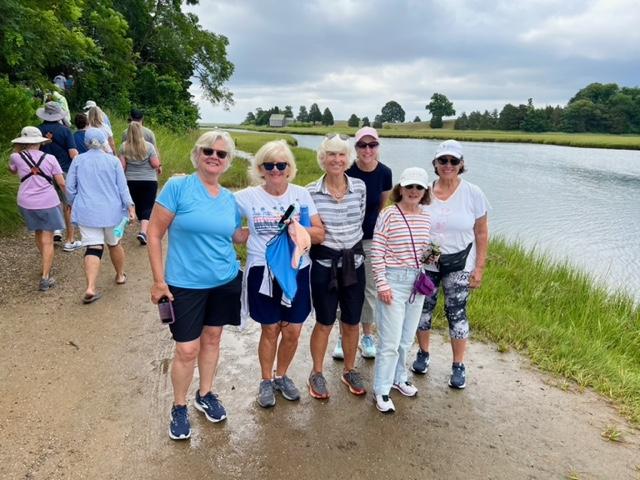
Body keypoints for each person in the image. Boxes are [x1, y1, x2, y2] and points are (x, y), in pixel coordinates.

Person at [147, 130, 245, 441]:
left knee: (213, 338)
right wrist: (159, 281)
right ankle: (179, 406)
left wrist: (269, 225)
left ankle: (205, 394)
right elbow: (154, 234)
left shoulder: (230, 200)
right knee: (187, 349)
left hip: (224, 280)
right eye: (208, 151)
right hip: (184, 284)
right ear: (197, 154)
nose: (214, 157)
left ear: (228, 161)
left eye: (221, 153)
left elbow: (235, 236)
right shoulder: (178, 187)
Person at [235, 140, 325, 408]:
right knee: (271, 328)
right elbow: (222, 216)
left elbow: (319, 234)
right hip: (262, 270)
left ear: (289, 168)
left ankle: (281, 376)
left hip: (297, 270)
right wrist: (240, 234)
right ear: (260, 168)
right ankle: (266, 380)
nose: (275, 170)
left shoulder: (301, 195)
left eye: (281, 165)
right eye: (269, 165)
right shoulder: (247, 197)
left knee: (293, 330)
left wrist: (298, 229)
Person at [413, 140, 489, 389]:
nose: (448, 165)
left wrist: (479, 268)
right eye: (443, 160)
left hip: (460, 260)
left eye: (453, 161)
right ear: (435, 163)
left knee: (456, 312)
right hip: (429, 259)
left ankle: (458, 365)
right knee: (423, 310)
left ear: (461, 164)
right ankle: (423, 353)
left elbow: (481, 232)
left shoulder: (473, 193)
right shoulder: (424, 191)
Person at [306, 133, 367, 399]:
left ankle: (349, 370)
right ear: (323, 158)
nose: (336, 159)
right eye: (331, 154)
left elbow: (359, 221)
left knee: (352, 321)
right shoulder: (310, 192)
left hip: (355, 263)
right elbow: (310, 230)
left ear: (348, 158)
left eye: (341, 154)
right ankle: (317, 373)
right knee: (324, 321)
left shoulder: (360, 188)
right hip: (324, 264)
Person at [371, 167, 432, 413]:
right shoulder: (388, 214)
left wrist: (432, 257)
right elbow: (377, 251)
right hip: (393, 281)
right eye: (409, 187)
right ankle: (382, 389)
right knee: (390, 341)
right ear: (401, 188)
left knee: (406, 339)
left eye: (419, 187)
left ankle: (399, 378)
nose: (413, 191)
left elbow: (424, 250)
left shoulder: (426, 217)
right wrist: (382, 284)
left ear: (424, 191)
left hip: (416, 282)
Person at [332, 126, 392, 360]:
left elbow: (381, 206)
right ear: (355, 148)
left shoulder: (385, 172)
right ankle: (343, 335)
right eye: (362, 145)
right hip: (346, 239)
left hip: (370, 238)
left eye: (372, 145)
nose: (367, 150)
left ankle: (367, 335)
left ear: (378, 147)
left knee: (369, 288)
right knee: (344, 286)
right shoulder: (348, 170)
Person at [65, 128, 135, 304]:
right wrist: (130, 206)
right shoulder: (113, 161)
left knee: (93, 247)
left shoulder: (78, 160)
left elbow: (70, 187)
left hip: (87, 210)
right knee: (114, 243)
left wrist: (72, 202)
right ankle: (120, 275)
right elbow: (122, 187)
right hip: (112, 211)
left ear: (86, 142)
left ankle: (90, 287)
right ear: (104, 141)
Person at [8, 127, 66, 291]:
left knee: (38, 232)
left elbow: (12, 170)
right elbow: (61, 182)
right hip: (48, 201)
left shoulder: (15, 157)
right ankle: (45, 277)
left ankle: (45, 264)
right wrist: (69, 198)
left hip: (26, 202)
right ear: (40, 142)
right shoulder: (50, 158)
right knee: (48, 238)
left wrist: (18, 151)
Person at [37, 101, 81, 251]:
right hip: (63, 170)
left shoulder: (37, 130)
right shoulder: (65, 131)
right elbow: (73, 153)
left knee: (50, 203)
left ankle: (55, 231)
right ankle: (70, 239)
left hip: (42, 172)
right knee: (67, 203)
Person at [118, 122, 161, 245]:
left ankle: (120, 230)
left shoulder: (123, 147)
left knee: (132, 205)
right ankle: (143, 232)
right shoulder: (149, 146)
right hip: (149, 181)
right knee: (147, 206)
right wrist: (158, 165)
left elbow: (122, 166)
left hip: (130, 180)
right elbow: (155, 164)